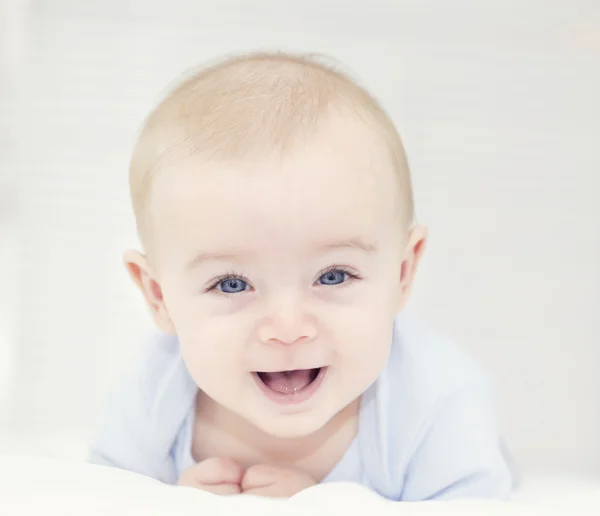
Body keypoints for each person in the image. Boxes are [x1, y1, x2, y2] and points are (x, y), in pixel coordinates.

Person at [88, 52, 513, 500]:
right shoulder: (152, 394)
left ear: (402, 273)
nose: (287, 329)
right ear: (159, 297)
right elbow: (99, 496)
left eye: (333, 276)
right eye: (232, 284)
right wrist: (172, 501)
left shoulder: (436, 403)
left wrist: (325, 504)